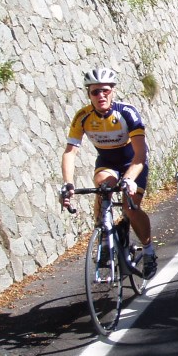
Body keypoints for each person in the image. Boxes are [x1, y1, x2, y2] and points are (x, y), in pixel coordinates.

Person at [60, 68, 158, 278]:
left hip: (133, 162)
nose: (100, 95)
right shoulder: (83, 116)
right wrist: (68, 183)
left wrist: (129, 178)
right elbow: (70, 152)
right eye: (95, 92)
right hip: (107, 163)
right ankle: (105, 237)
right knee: (103, 187)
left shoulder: (126, 112)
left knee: (130, 207)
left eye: (105, 90)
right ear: (89, 94)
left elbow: (141, 153)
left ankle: (149, 250)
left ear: (112, 91)